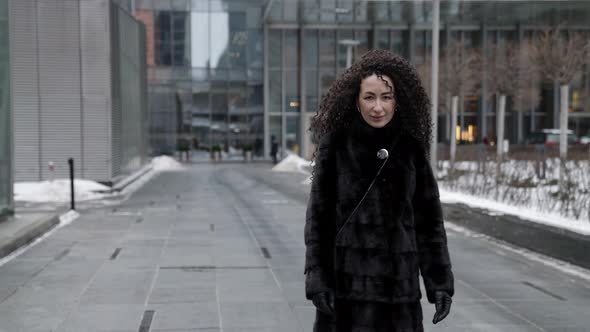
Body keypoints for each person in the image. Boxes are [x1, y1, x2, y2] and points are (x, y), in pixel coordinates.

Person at [304, 49, 454, 332]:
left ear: (399, 101)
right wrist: (318, 280)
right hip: (345, 295)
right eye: (369, 97)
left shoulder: (410, 148)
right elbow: (319, 221)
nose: (378, 107)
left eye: (387, 97)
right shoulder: (335, 146)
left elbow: (429, 224)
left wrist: (440, 284)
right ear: (355, 100)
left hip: (399, 298)